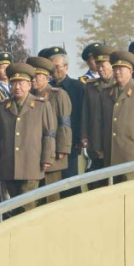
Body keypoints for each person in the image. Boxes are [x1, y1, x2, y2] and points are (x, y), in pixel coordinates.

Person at [0, 62, 56, 210]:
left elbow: (49, 134)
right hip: (8, 165)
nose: (17, 87)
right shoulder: (3, 108)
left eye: (21, 83)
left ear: (29, 85)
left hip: (31, 164)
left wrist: (47, 158)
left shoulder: (41, 105)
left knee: (27, 207)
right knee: (14, 207)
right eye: (13, 83)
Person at [92, 50, 134, 180]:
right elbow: (99, 121)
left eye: (121, 69)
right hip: (110, 150)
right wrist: (97, 145)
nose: (117, 72)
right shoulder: (106, 93)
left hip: (131, 151)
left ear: (130, 71)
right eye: (115, 68)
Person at [39, 46, 86, 196]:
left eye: (58, 67)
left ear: (66, 67)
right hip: (50, 143)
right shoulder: (47, 89)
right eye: (52, 67)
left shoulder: (78, 87)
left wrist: (80, 138)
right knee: (51, 184)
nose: (55, 70)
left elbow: (82, 115)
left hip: (71, 143)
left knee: (70, 181)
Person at [27, 57, 72, 199]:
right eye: (31, 76)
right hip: (33, 152)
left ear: (47, 77)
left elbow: (64, 123)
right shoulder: (29, 97)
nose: (34, 80)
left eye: (37, 76)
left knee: (50, 194)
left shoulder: (57, 94)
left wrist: (62, 148)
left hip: (52, 152)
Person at [81, 45, 117, 179]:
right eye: (98, 66)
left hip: (114, 139)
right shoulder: (90, 86)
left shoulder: (119, 85)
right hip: (96, 139)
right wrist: (84, 135)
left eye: (104, 66)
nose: (100, 70)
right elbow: (85, 113)